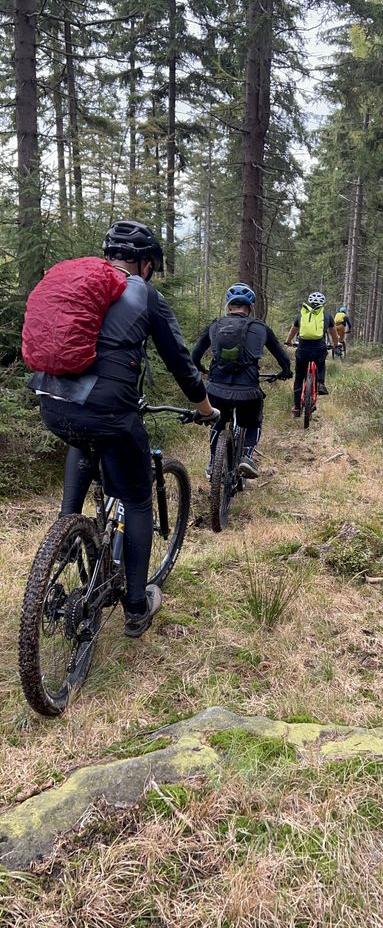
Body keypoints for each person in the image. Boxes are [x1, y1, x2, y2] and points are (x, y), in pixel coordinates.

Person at [28, 220, 219, 638]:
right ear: (146, 264)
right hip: (110, 411)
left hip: (52, 403)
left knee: (83, 436)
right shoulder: (144, 293)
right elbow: (180, 363)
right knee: (136, 499)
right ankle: (136, 606)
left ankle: (68, 531)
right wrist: (205, 409)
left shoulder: (83, 286)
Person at [191, 282, 292, 481]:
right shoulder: (260, 327)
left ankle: (213, 462)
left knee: (217, 423)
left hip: (216, 390)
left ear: (228, 306)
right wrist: (285, 372)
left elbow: (195, 355)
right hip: (248, 391)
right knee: (254, 422)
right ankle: (247, 456)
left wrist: (201, 369)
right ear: (251, 307)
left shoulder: (215, 324)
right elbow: (283, 357)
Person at [285, 291, 340, 417]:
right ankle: (320, 383)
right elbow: (334, 334)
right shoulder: (326, 316)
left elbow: (293, 331)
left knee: (299, 377)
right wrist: (335, 344)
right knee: (320, 364)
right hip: (319, 348)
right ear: (323, 303)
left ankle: (297, 408)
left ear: (309, 303)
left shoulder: (302, 315)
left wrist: (288, 342)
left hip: (303, 349)